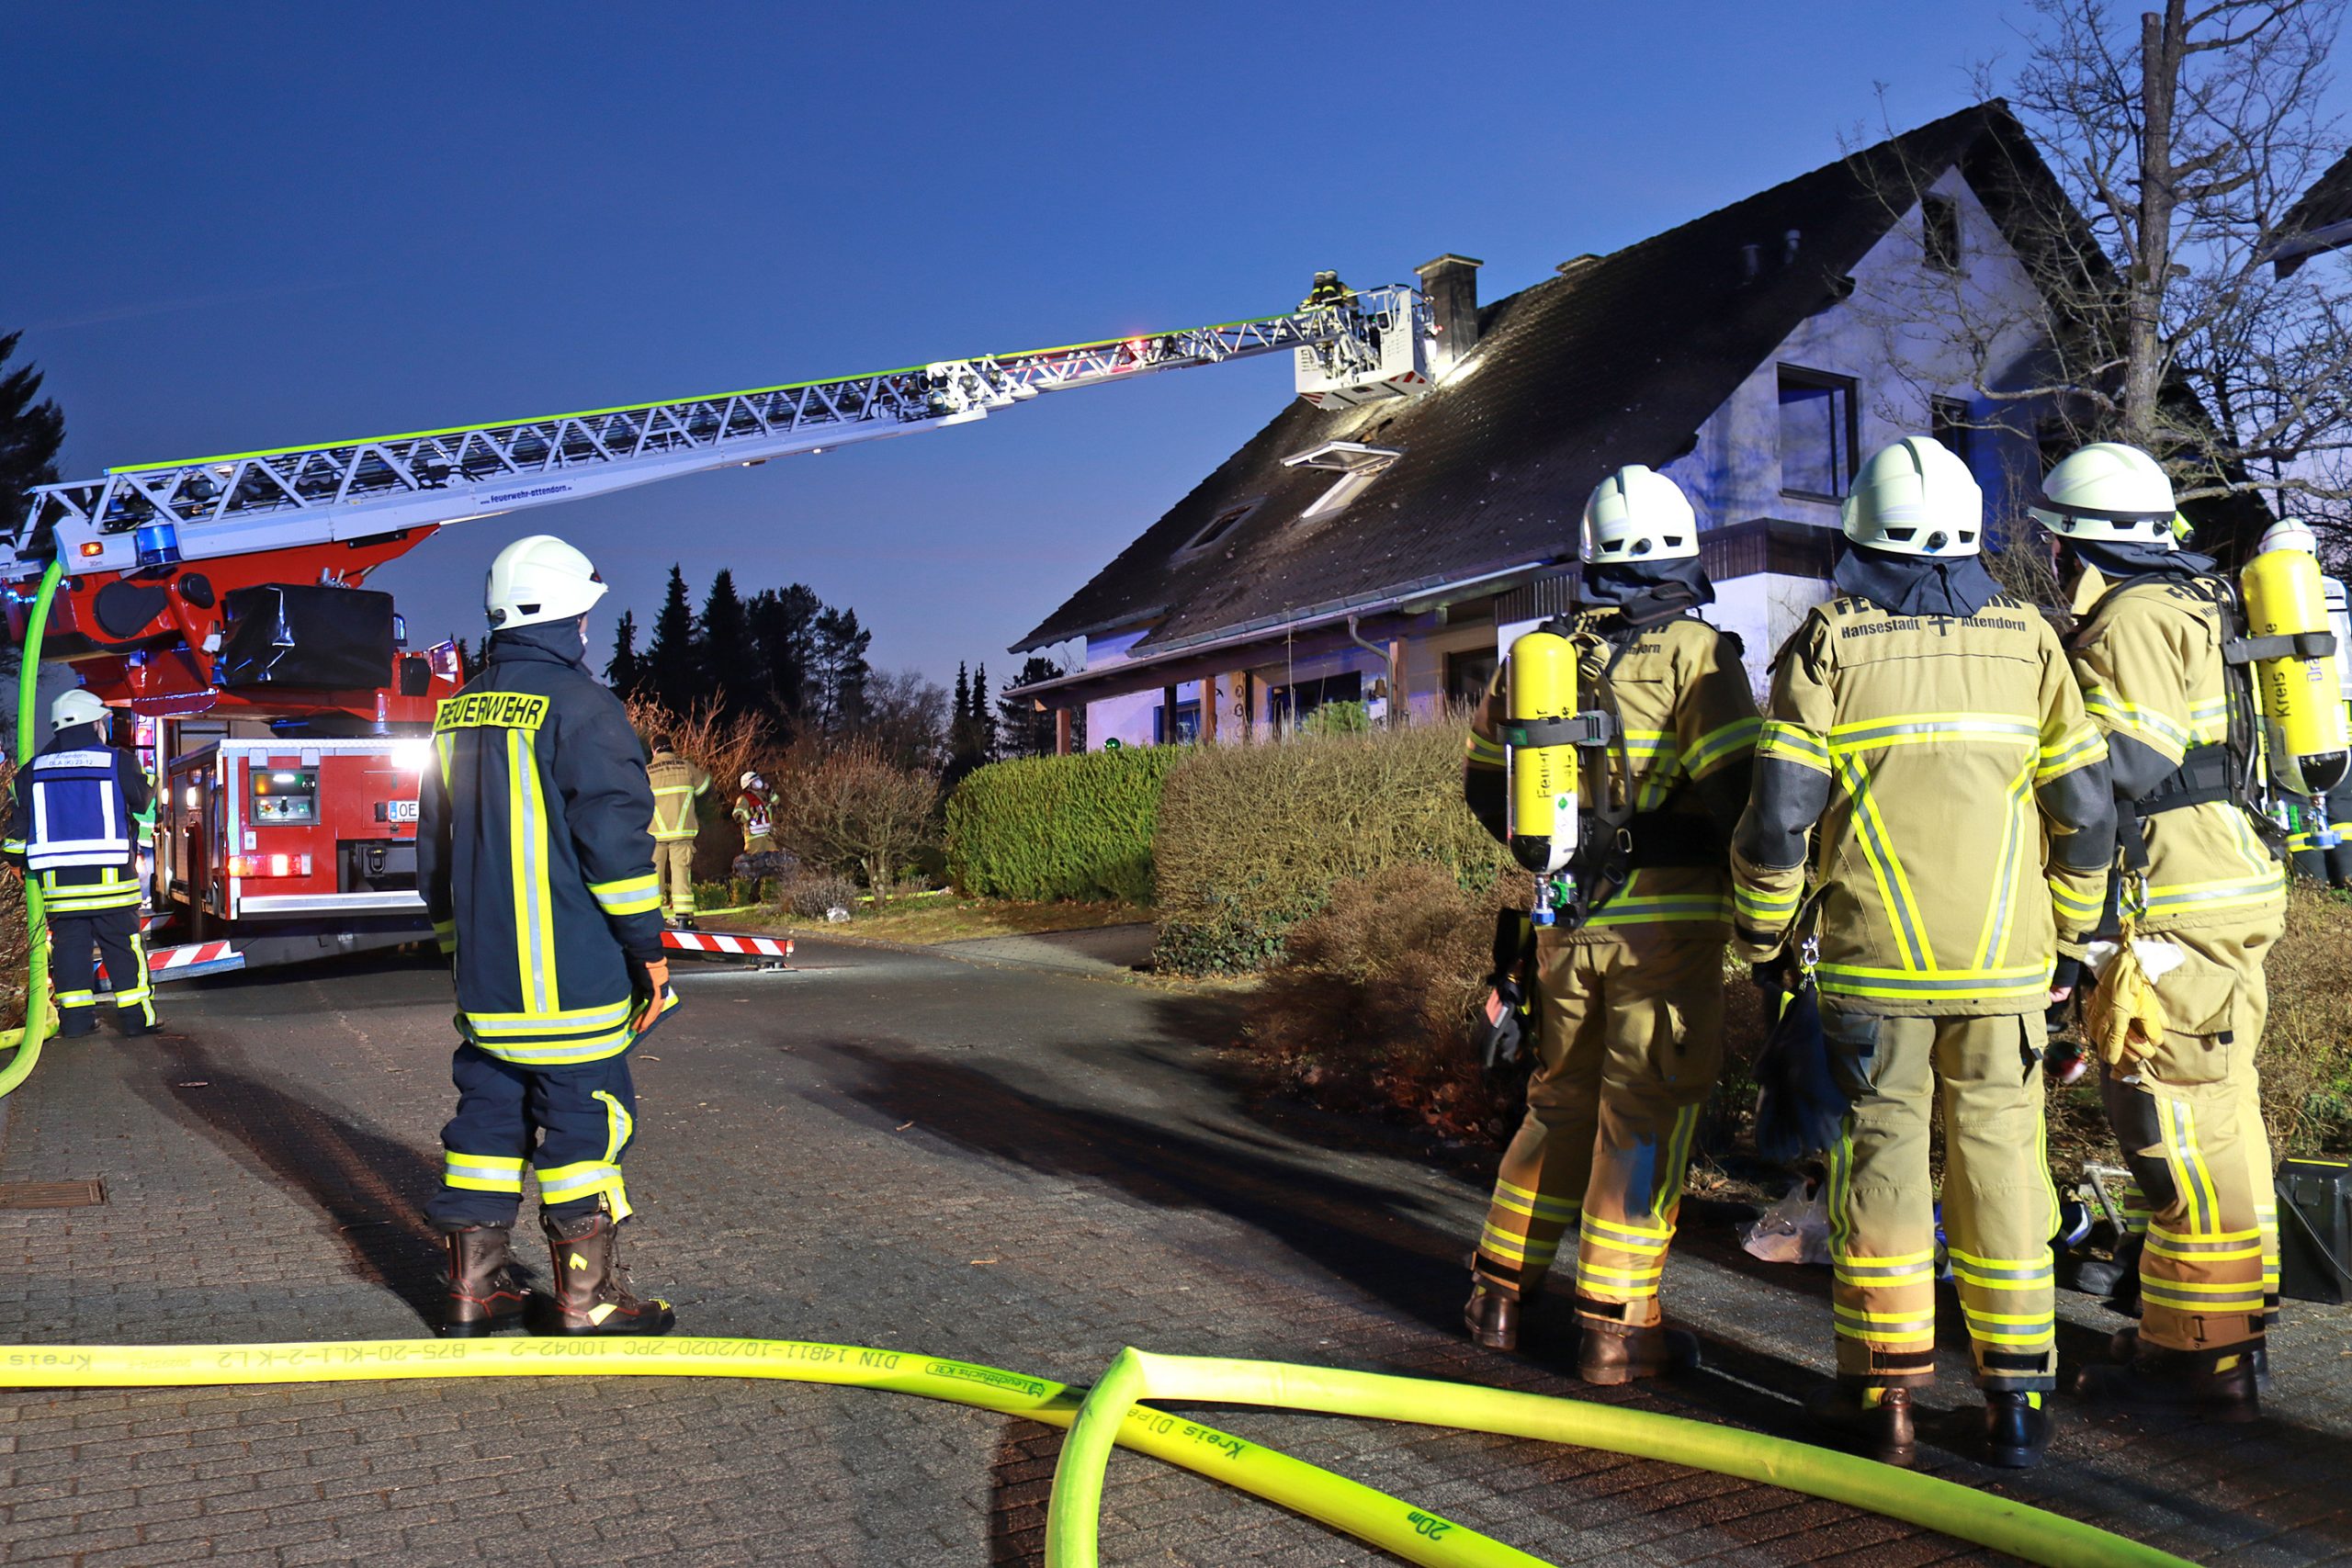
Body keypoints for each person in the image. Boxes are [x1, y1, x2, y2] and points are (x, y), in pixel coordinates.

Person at [1732, 436, 2113, 1470]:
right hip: (2006, 976)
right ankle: (2016, 1404)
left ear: (1859, 541)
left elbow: (1776, 821)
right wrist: (2072, 942)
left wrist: (1764, 937)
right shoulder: (2031, 640)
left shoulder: (1828, 645)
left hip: (1870, 973)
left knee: (1883, 1170)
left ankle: (1883, 1397)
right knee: (2003, 1171)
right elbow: (2083, 810)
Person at [1460, 465, 1759, 1383]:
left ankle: (1498, 1296)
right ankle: (1615, 1330)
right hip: (1663, 936)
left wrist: (1563, 854)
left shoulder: (1539, 657)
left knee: (1557, 1104)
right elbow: (1740, 794)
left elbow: (1482, 784)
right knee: (1643, 1115)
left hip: (1567, 924)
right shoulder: (1697, 657)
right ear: (1683, 559)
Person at [2034, 444, 2283, 1420]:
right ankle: (2222, 1325)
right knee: (2220, 1117)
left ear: (2082, 546)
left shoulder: (2132, 618)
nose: (2055, 564)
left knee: (2171, 1120)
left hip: (2177, 907)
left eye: (2058, 546)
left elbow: (2123, 767)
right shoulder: (2196, 601)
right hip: (2224, 889)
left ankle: (2206, 1359)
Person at [419, 534, 677, 1338]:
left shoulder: (454, 713)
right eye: (586, 616)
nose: (591, 632)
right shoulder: (583, 707)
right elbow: (618, 850)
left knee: (486, 1125)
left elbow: (434, 853)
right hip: (574, 981)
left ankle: (475, 1292)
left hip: (487, 989)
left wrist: (458, 952)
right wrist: (650, 951)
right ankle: (587, 1300)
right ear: (566, 615)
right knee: (583, 1126)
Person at [4, 688, 156, 1037]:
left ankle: (76, 1023)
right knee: (123, 949)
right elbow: (143, 797)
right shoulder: (116, 760)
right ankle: (136, 1021)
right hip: (113, 887)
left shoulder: (30, 772)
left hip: (59, 890)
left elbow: (16, 834)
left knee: (70, 953)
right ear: (93, 724)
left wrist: (16, 863)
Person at [645, 735, 710, 927]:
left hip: (654, 833)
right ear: (672, 748)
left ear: (654, 750)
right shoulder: (687, 767)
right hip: (682, 832)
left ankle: (652, 918)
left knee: (653, 874)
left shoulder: (647, 772)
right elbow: (705, 788)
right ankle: (683, 919)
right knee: (681, 873)